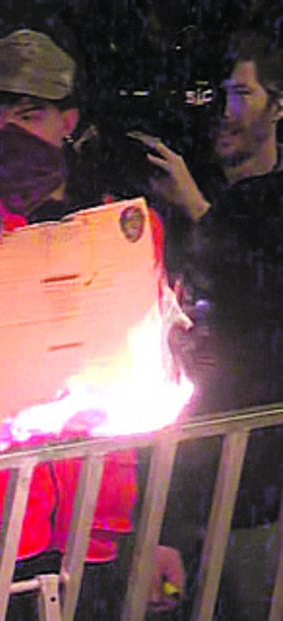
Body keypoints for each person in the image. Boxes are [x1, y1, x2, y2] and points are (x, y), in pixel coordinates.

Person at [0, 28, 181, 620]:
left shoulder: (116, 222)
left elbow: (158, 376)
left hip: (98, 518)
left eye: (31, 113)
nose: (12, 130)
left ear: (68, 119)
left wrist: (160, 525)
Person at [131, 28, 283, 620]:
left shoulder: (250, 206)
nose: (224, 111)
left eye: (241, 94)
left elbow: (265, 301)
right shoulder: (201, 197)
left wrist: (200, 211)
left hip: (259, 493)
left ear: (279, 103)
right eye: (219, 93)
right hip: (185, 482)